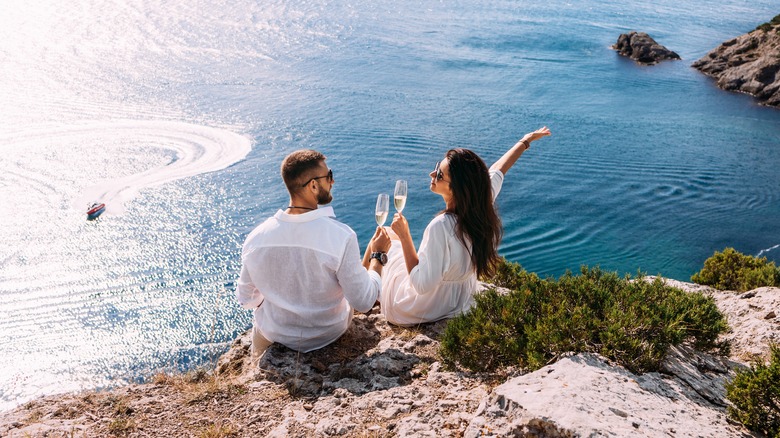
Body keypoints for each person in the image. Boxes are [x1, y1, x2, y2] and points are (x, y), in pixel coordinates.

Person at [380, 127, 551, 326]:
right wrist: (525, 140)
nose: (431, 174)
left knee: (387, 239)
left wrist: (405, 236)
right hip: (459, 302)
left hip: (420, 309)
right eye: (437, 167)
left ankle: (362, 296)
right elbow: (498, 170)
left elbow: (420, 285)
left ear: (457, 188)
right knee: (391, 240)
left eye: (440, 175)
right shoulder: (480, 204)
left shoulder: (440, 226)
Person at [236, 149, 391, 356]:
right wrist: (377, 256)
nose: (332, 182)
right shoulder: (340, 236)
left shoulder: (257, 237)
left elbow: (246, 300)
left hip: (274, 335)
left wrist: (279, 299)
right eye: (329, 176)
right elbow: (364, 302)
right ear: (313, 185)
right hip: (328, 335)